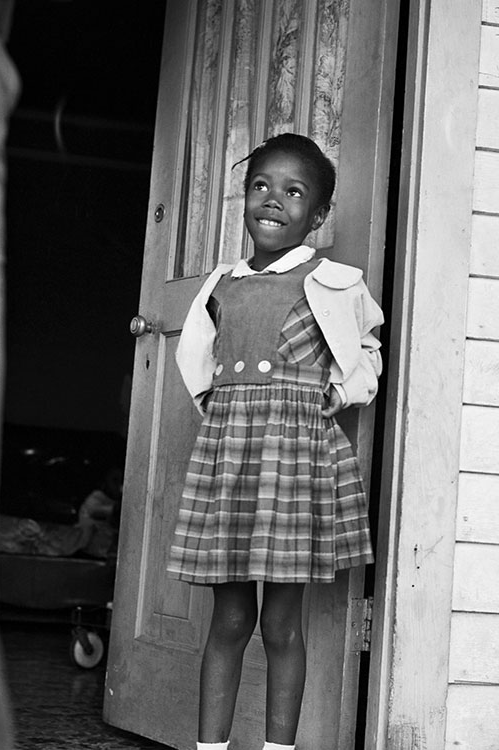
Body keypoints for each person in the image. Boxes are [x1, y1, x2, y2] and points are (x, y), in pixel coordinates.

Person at [167, 133, 384, 748]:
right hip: (231, 458)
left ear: (316, 216)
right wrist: (220, 405)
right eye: (261, 185)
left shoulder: (336, 282)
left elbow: (366, 350)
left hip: (293, 462)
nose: (273, 200)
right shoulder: (222, 283)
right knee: (230, 618)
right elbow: (198, 355)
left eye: (294, 192)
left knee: (282, 624)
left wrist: (340, 396)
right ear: (244, 198)